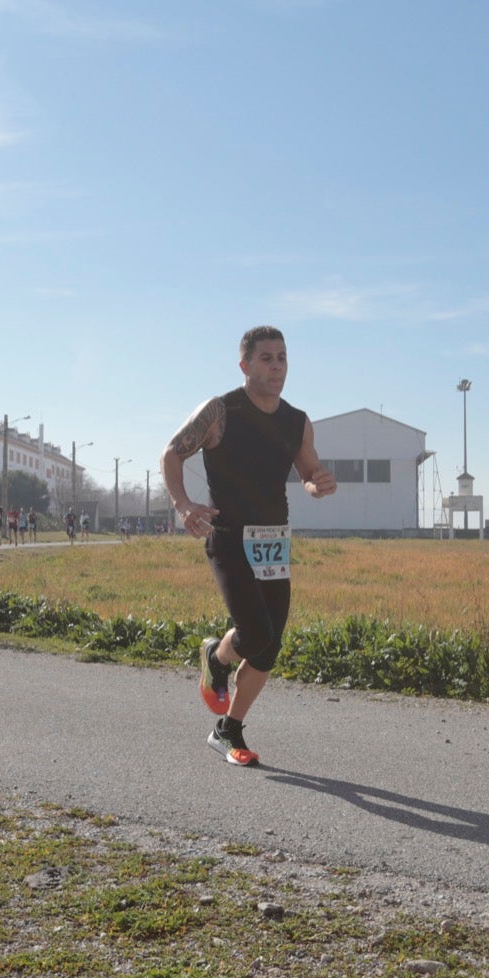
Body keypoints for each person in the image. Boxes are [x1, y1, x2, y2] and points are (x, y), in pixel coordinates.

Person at [161, 325, 335, 767]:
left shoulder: (297, 421)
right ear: (245, 365)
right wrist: (183, 505)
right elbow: (171, 454)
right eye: (266, 358)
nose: (276, 366)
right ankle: (216, 659)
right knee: (255, 634)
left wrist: (319, 485)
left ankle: (228, 729)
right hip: (229, 537)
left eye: (282, 358)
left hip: (273, 541)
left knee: (269, 646)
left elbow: (308, 473)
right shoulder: (220, 412)